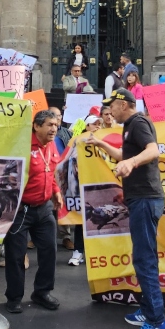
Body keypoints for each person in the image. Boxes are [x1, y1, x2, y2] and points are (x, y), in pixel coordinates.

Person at [84, 89, 165, 329]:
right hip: (141, 199)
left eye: (112, 106)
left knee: (145, 259)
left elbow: (153, 150)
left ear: (123, 104)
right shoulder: (130, 125)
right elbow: (127, 155)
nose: (109, 111)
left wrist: (132, 165)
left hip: (145, 199)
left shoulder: (138, 122)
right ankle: (147, 309)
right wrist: (101, 144)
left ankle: (157, 322)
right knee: (143, 257)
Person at [3, 109, 64, 314]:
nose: (54, 129)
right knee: (16, 255)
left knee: (49, 250)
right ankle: (14, 297)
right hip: (21, 210)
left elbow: (51, 171)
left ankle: (42, 292)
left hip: (44, 208)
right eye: (49, 125)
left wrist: (56, 191)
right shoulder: (22, 146)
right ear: (36, 126)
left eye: (55, 125)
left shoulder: (52, 145)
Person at [66, 114, 104, 266]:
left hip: (100, 187)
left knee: (101, 219)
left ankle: (97, 254)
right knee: (82, 219)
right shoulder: (79, 141)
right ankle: (78, 251)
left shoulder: (104, 141)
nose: (97, 126)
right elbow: (71, 161)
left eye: (99, 124)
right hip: (83, 186)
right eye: (94, 124)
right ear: (87, 126)